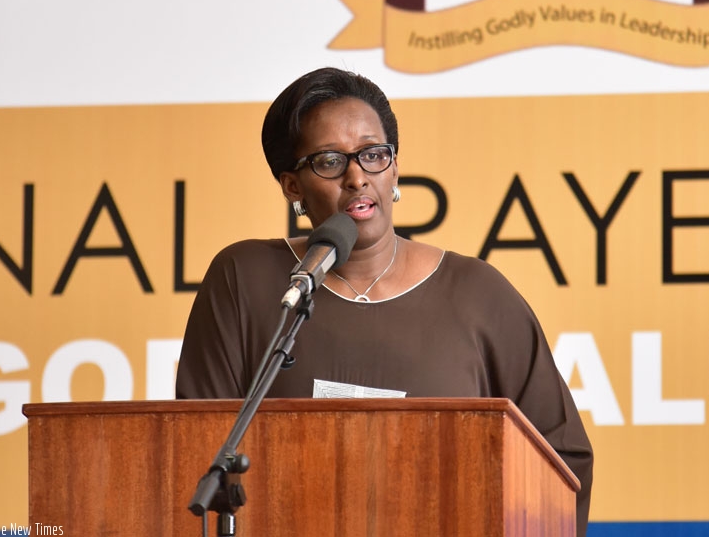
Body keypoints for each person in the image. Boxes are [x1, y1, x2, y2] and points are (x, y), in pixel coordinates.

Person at [175, 67, 594, 535]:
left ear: (393, 168)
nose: (357, 177)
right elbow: (200, 443)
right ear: (292, 186)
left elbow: (562, 460)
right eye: (330, 161)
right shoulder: (245, 280)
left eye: (373, 155)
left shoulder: (480, 295)